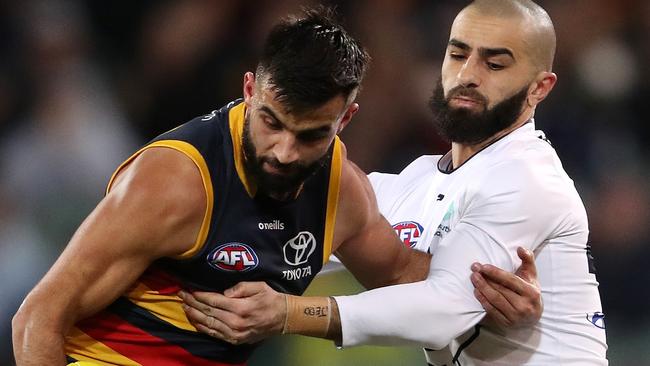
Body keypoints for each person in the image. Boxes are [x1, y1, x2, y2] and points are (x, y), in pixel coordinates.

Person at [11, 6, 541, 366]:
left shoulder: (340, 191)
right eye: (271, 122)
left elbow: (409, 278)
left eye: (309, 135)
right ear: (249, 90)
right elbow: (37, 317)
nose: (284, 152)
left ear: (346, 119)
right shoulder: (174, 182)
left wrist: (497, 299)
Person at [179, 1, 608, 365]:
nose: (468, 74)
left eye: (495, 63)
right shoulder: (413, 182)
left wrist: (289, 312)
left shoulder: (528, 178)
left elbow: (442, 311)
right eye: (458, 55)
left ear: (540, 88)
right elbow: (284, 239)